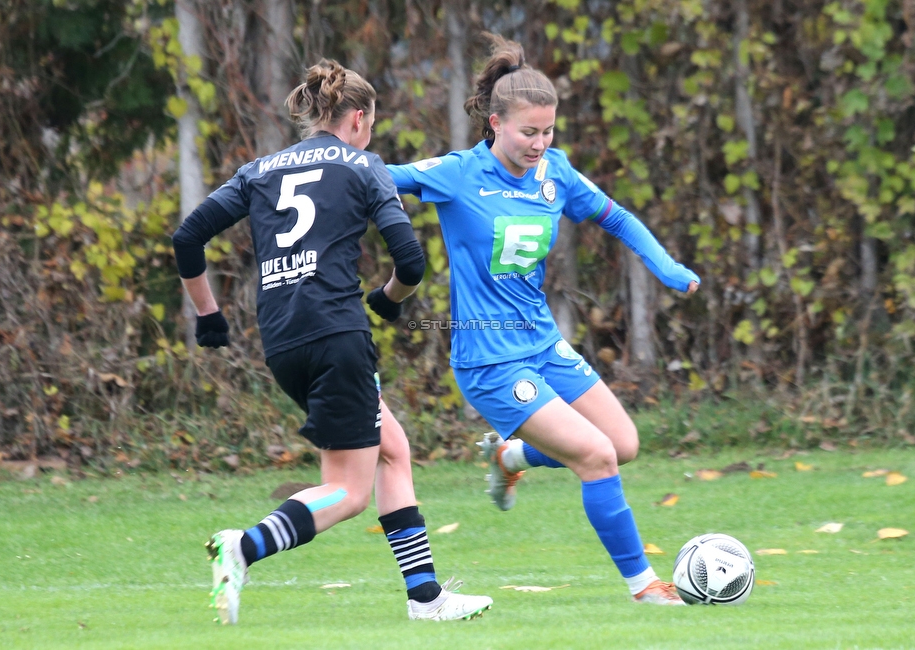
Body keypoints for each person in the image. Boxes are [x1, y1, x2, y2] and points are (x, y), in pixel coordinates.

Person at [171, 59, 492, 625]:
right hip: (338, 337)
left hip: (283, 341)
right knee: (347, 492)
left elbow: (187, 236)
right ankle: (242, 546)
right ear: (359, 119)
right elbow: (411, 262)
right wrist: (390, 299)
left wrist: (209, 317)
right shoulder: (365, 166)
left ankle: (426, 598)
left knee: (392, 449)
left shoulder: (261, 169)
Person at [387, 35, 700, 606]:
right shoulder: (458, 173)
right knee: (596, 456)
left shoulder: (555, 172)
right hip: (490, 360)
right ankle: (644, 587)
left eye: (548, 131)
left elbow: (618, 218)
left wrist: (667, 266)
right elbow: (380, 177)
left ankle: (511, 456)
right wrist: (317, 168)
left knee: (623, 443)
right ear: (495, 122)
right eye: (528, 132)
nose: (539, 143)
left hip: (542, 345)